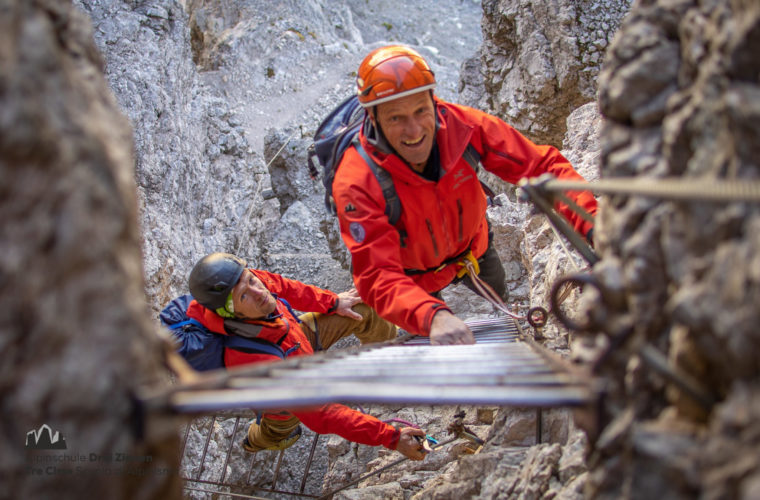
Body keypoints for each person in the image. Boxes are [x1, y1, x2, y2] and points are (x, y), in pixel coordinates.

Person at [331, 45, 598, 346]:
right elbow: (377, 275)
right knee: (430, 334)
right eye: (396, 118)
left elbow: (541, 166)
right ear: (374, 118)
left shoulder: (462, 127)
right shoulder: (357, 180)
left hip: (474, 251)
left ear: (434, 101)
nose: (414, 130)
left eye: (421, 110)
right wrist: (433, 316)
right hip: (414, 280)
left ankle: (505, 328)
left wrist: (594, 225)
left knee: (501, 301)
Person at [185, 252, 427, 460]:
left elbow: (284, 286)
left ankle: (389, 366)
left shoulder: (247, 282)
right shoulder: (250, 357)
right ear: (231, 312)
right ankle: (255, 440)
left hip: (296, 340)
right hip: (281, 400)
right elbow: (321, 412)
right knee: (278, 432)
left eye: (252, 281)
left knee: (362, 311)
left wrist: (334, 302)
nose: (258, 292)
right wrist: (391, 437)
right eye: (244, 296)